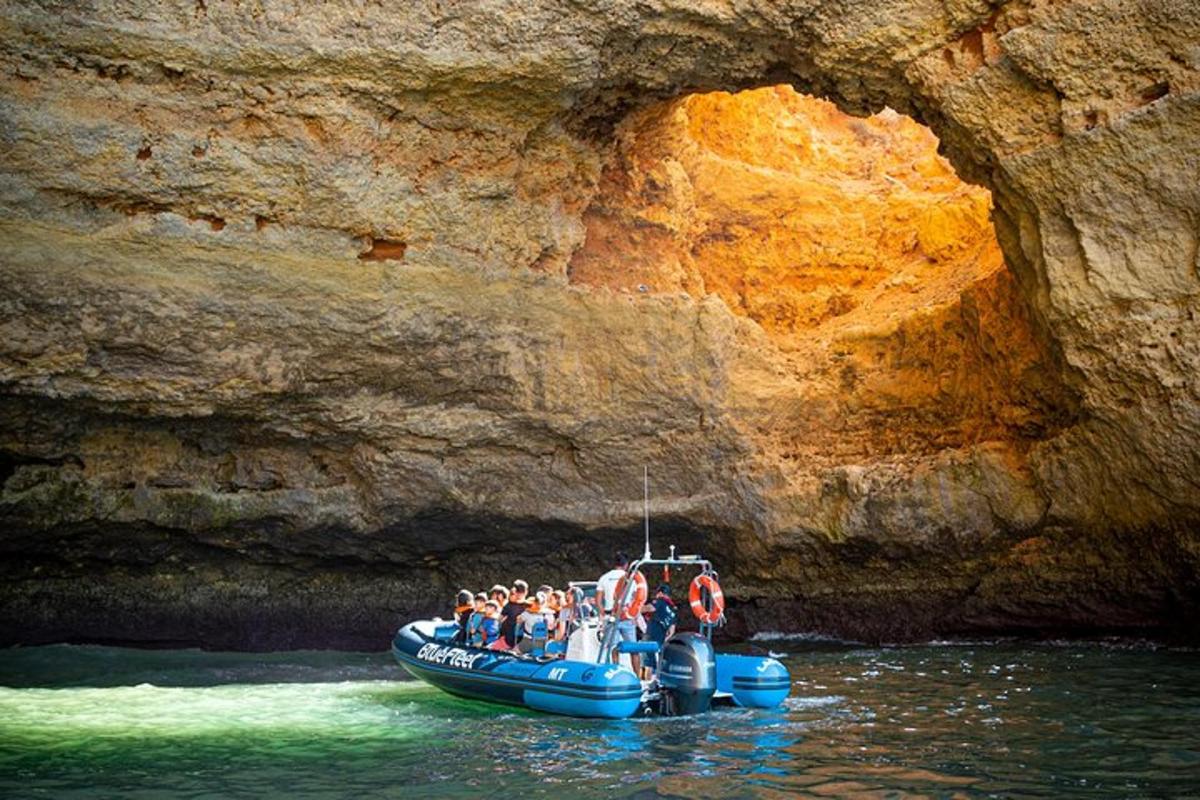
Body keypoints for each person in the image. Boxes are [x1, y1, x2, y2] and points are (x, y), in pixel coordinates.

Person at [643, 584, 677, 675]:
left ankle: (645, 679)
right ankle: (657, 678)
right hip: (662, 637)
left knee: (647, 659)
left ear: (661, 593)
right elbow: (672, 630)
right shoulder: (673, 608)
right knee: (659, 659)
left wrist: (636, 608)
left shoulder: (660, 601)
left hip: (652, 634)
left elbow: (650, 608)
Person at [500, 579, 529, 649]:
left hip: (524, 637)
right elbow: (500, 618)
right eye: (517, 591)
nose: (519, 594)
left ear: (526, 592)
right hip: (509, 635)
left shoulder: (529, 605)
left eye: (521, 591)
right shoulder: (509, 605)